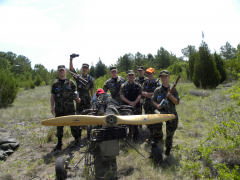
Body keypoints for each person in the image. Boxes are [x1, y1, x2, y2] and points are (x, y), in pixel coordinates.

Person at [51, 65, 81, 151]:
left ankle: (77, 140)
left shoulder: (71, 83)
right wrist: (52, 107)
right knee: (59, 126)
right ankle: (59, 143)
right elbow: (52, 96)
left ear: (65, 72)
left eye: (63, 70)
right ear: (58, 72)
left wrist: (78, 99)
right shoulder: (55, 84)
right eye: (60, 71)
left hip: (70, 109)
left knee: (73, 124)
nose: (61, 72)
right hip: (59, 109)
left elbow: (76, 94)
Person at [152, 70, 180, 157]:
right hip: (161, 113)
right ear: (160, 78)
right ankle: (158, 143)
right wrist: (157, 106)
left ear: (168, 77)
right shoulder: (157, 90)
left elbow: (177, 102)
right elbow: (153, 100)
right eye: (162, 77)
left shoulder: (173, 89)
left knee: (170, 134)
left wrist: (170, 96)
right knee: (157, 127)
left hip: (171, 114)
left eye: (165, 76)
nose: (164, 78)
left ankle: (168, 150)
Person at [70, 54, 94, 139]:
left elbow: (91, 89)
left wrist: (93, 99)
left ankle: (89, 134)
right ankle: (78, 136)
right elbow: (72, 70)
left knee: (89, 116)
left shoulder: (90, 79)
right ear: (81, 68)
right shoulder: (78, 77)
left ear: (88, 69)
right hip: (79, 99)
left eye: (86, 68)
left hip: (87, 99)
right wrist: (71, 59)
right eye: (83, 67)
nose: (84, 69)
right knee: (79, 116)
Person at [120, 70, 142, 141]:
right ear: (127, 76)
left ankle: (136, 138)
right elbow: (121, 96)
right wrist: (130, 103)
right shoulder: (123, 86)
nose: (131, 76)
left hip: (136, 106)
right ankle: (127, 137)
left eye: (132, 75)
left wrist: (134, 102)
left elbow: (140, 95)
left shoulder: (138, 85)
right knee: (127, 123)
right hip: (126, 107)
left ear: (134, 76)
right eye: (129, 75)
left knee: (136, 122)